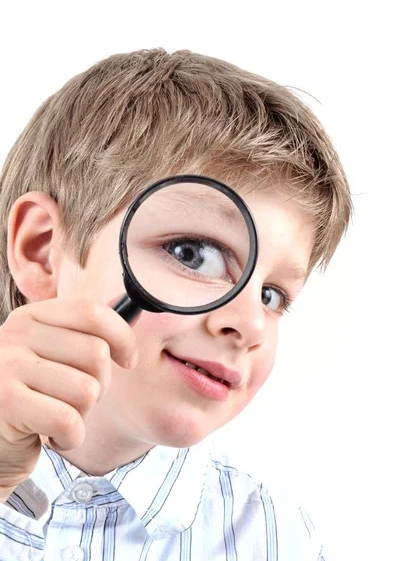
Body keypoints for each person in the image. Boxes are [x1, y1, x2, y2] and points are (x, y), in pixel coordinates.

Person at [0, 48, 351, 560]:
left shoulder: (277, 540)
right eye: (194, 254)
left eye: (272, 295)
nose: (250, 323)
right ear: (42, 250)